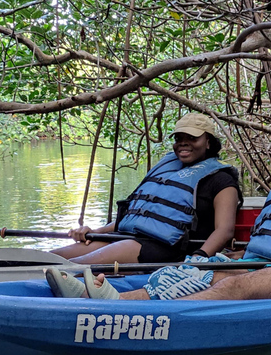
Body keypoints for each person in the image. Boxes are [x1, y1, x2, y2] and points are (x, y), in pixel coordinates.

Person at [46, 118, 271, 300]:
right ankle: (109, 303)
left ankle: (151, 320)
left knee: (232, 286)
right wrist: (233, 257)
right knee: (189, 274)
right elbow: (270, 242)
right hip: (265, 265)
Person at [51, 113, 242, 266]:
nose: (183, 143)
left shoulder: (221, 181)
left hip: (169, 248)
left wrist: (197, 259)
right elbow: (137, 215)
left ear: (208, 142)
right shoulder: (168, 169)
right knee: (52, 257)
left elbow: (224, 231)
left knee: (72, 266)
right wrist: (94, 231)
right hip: (129, 237)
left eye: (192, 138)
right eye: (178, 138)